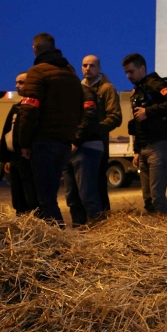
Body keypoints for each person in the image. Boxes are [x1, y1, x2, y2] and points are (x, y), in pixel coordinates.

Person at [18, 34, 84, 225]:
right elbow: (80, 107)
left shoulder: (37, 72)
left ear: (34, 49)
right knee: (51, 194)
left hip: (43, 142)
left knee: (45, 199)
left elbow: (29, 110)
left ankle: (57, 240)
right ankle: (57, 238)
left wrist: (24, 142)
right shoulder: (70, 73)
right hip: (64, 143)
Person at [123, 52, 167, 215]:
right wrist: (136, 151)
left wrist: (149, 111)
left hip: (159, 146)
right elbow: (137, 124)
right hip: (144, 148)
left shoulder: (155, 84)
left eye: (131, 71)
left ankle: (164, 231)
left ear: (142, 68)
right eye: (126, 72)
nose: (128, 76)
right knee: (148, 197)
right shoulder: (137, 91)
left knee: (157, 195)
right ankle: (152, 232)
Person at [81, 55, 123, 212]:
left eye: (92, 65)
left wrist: (95, 131)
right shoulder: (80, 87)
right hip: (80, 143)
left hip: (98, 144)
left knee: (97, 185)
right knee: (82, 187)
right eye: (85, 65)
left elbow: (115, 117)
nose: (87, 68)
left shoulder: (107, 89)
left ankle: (102, 221)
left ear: (99, 68)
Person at [63, 82, 105, 227]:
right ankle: (78, 228)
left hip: (85, 146)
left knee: (87, 195)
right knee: (72, 196)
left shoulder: (84, 92)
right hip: (71, 147)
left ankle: (97, 230)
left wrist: (76, 141)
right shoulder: (65, 93)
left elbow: (89, 115)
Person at [0, 73, 37, 215]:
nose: (17, 86)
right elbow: (7, 132)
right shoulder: (16, 107)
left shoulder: (36, 107)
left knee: (30, 195)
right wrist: (6, 158)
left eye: (21, 82)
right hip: (14, 158)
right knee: (18, 195)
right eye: (16, 82)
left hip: (28, 157)